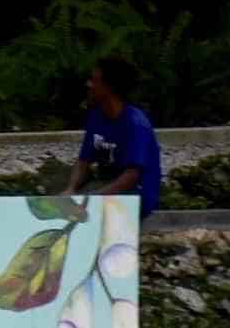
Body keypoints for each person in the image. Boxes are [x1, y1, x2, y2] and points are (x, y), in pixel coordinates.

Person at [68, 55, 164, 214]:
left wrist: (93, 200)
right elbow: (83, 161)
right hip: (106, 184)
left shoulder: (136, 124)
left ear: (109, 87)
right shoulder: (96, 117)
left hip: (134, 194)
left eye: (94, 80)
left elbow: (131, 176)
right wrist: (70, 189)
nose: (89, 84)